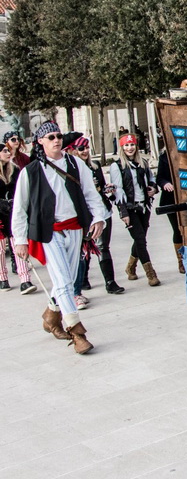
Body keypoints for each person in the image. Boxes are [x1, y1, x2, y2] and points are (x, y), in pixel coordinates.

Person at [11, 122, 106, 355]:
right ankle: (77, 332)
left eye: (59, 136)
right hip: (48, 232)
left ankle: (51, 316)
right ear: (40, 142)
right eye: (51, 137)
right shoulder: (30, 172)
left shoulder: (75, 164)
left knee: (69, 278)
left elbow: (90, 194)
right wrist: (20, 239)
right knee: (64, 282)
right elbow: (20, 208)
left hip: (75, 229)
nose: (56, 140)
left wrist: (99, 218)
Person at [65, 134, 124, 296]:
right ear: (74, 151)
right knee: (84, 247)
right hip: (84, 215)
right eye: (81, 148)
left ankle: (110, 282)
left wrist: (108, 190)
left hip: (102, 211)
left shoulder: (95, 166)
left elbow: (101, 188)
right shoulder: (71, 169)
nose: (85, 151)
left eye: (86, 148)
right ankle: (83, 279)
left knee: (103, 246)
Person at [110, 133, 160, 287]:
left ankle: (130, 267)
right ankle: (150, 274)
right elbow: (117, 191)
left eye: (132, 145)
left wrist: (154, 188)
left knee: (140, 239)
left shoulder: (143, 163)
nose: (130, 148)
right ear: (122, 147)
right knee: (140, 240)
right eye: (126, 145)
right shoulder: (117, 166)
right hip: (130, 208)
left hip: (144, 206)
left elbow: (151, 180)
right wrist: (123, 212)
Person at [0, 145, 36, 294]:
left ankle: (25, 280)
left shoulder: (15, 170)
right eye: (4, 151)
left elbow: (21, 190)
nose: (8, 153)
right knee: (1, 249)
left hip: (13, 213)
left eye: (9, 150)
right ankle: (3, 278)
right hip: (0, 215)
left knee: (19, 244)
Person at [155, 139, 184, 274]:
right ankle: (181, 261)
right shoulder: (164, 158)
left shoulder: (185, 155)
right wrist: (165, 183)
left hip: (186, 197)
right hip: (170, 198)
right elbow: (159, 177)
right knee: (177, 230)